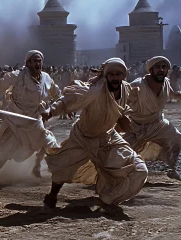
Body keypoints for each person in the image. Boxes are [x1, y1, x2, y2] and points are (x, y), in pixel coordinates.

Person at [42, 58, 148, 216]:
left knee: (140, 170)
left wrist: (123, 117)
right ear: (106, 76)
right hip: (83, 136)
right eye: (111, 74)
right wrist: (51, 111)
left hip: (108, 137)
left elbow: (122, 108)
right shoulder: (94, 90)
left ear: (123, 76)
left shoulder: (126, 89)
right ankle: (52, 196)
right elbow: (69, 99)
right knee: (61, 168)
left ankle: (107, 199)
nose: (114, 78)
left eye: (118, 74)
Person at [0, 50, 60, 182]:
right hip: (15, 119)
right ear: (28, 63)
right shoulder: (17, 76)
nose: (38, 63)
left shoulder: (46, 78)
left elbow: (56, 93)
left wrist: (63, 105)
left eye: (40, 60)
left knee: (46, 141)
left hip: (34, 119)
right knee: (7, 149)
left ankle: (37, 166)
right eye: (35, 60)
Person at [123, 56, 181, 181]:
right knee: (121, 152)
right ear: (151, 70)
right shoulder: (138, 85)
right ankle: (118, 176)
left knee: (176, 138)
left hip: (158, 123)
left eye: (164, 67)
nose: (161, 70)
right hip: (136, 126)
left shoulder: (166, 83)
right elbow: (122, 101)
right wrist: (121, 117)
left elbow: (174, 94)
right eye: (157, 67)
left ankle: (172, 169)